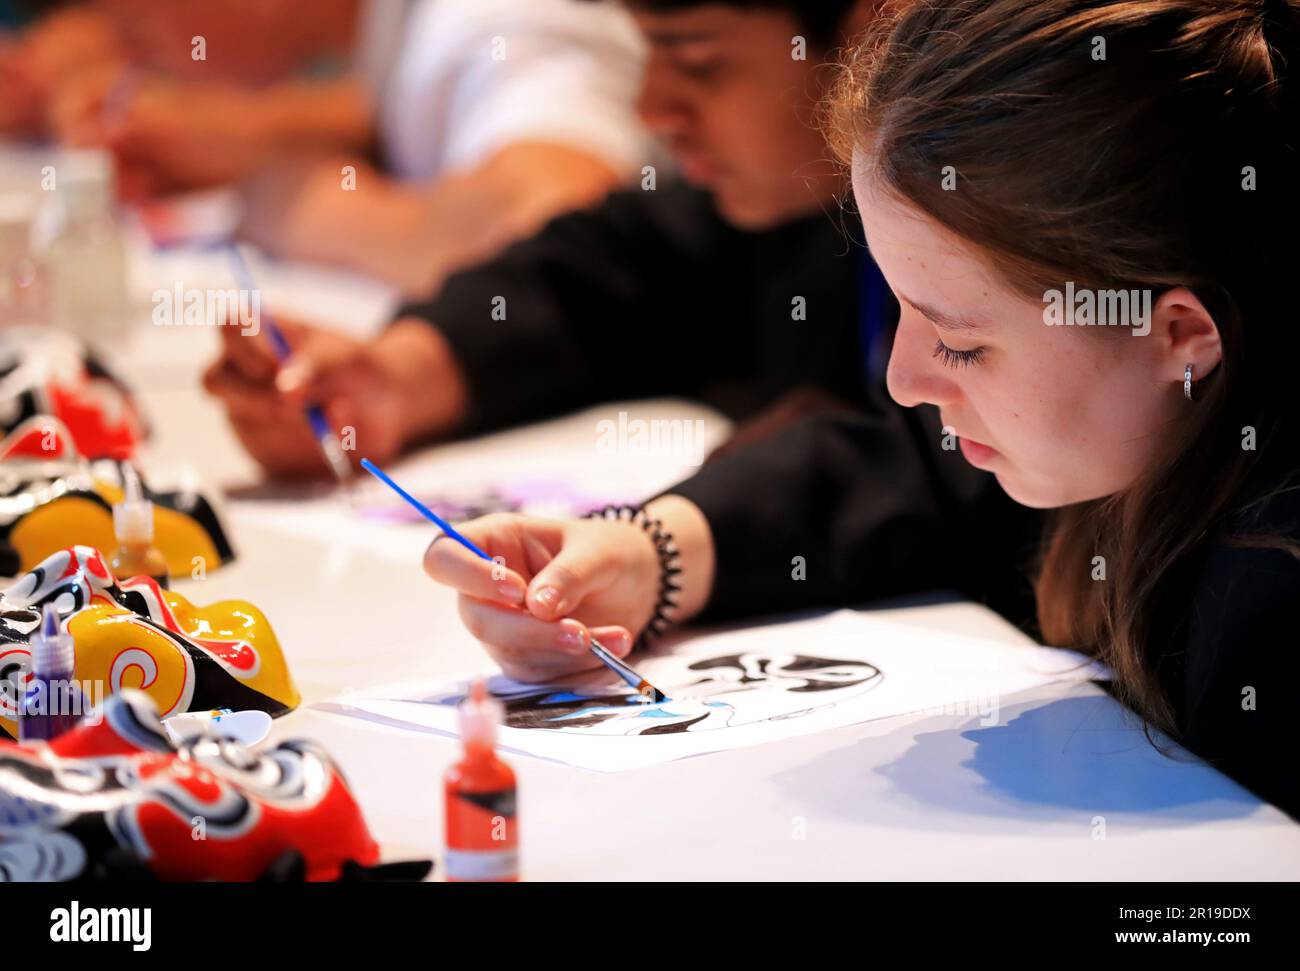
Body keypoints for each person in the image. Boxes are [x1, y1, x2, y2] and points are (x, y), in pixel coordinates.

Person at [420, 0, 1300, 819]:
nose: (905, 379)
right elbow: (910, 467)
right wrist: (648, 551)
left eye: (960, 341)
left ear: (1179, 333)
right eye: (903, 307)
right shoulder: (1131, 411)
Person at [203, 0, 895, 478]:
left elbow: (919, 476)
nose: (651, 107)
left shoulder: (978, 232)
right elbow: (604, 272)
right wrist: (394, 378)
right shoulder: (780, 211)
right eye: (648, 52)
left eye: (699, 61)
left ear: (875, 31)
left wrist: (693, 534)